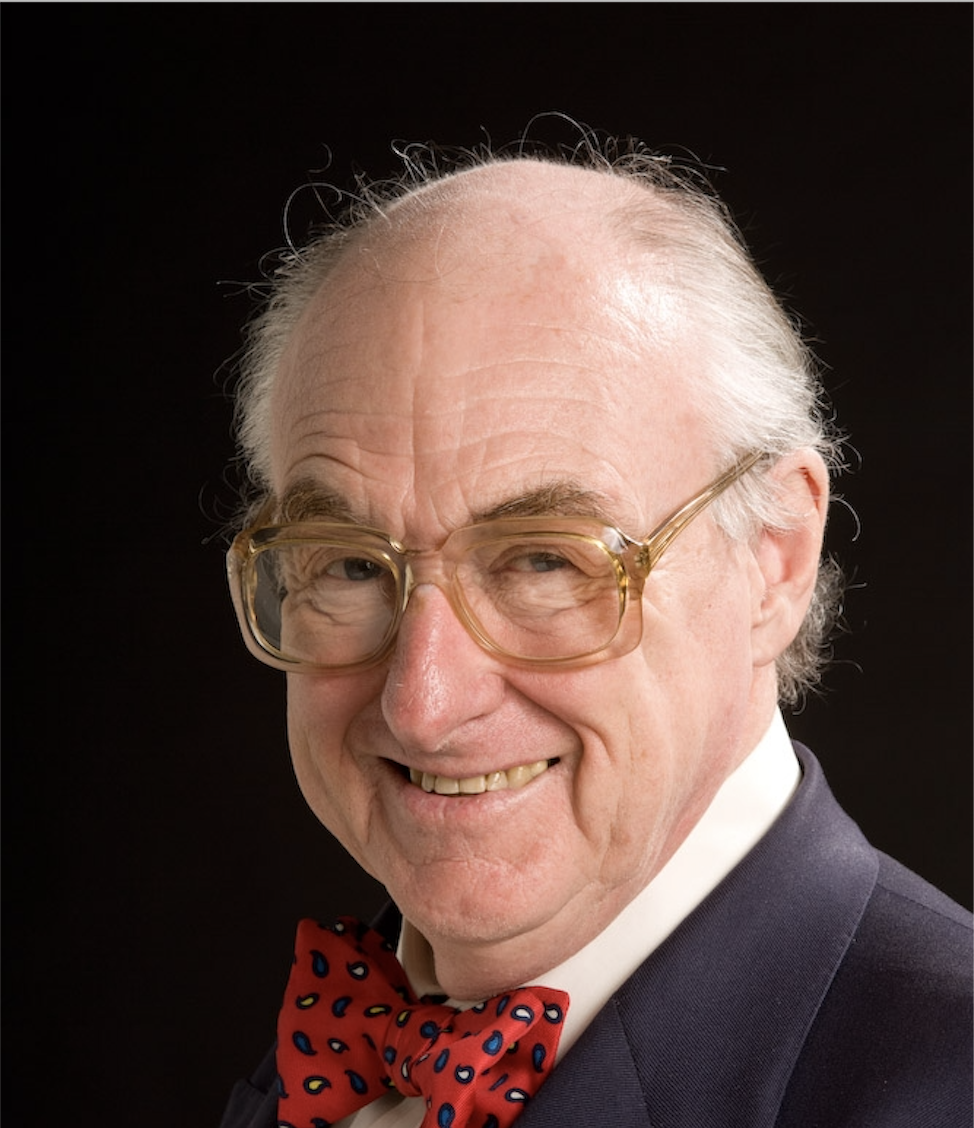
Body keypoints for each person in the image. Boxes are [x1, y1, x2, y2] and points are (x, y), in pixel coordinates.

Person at [218, 136, 972, 1128]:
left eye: (544, 560)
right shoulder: (318, 1064)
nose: (422, 703)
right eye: (352, 565)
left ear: (774, 558)